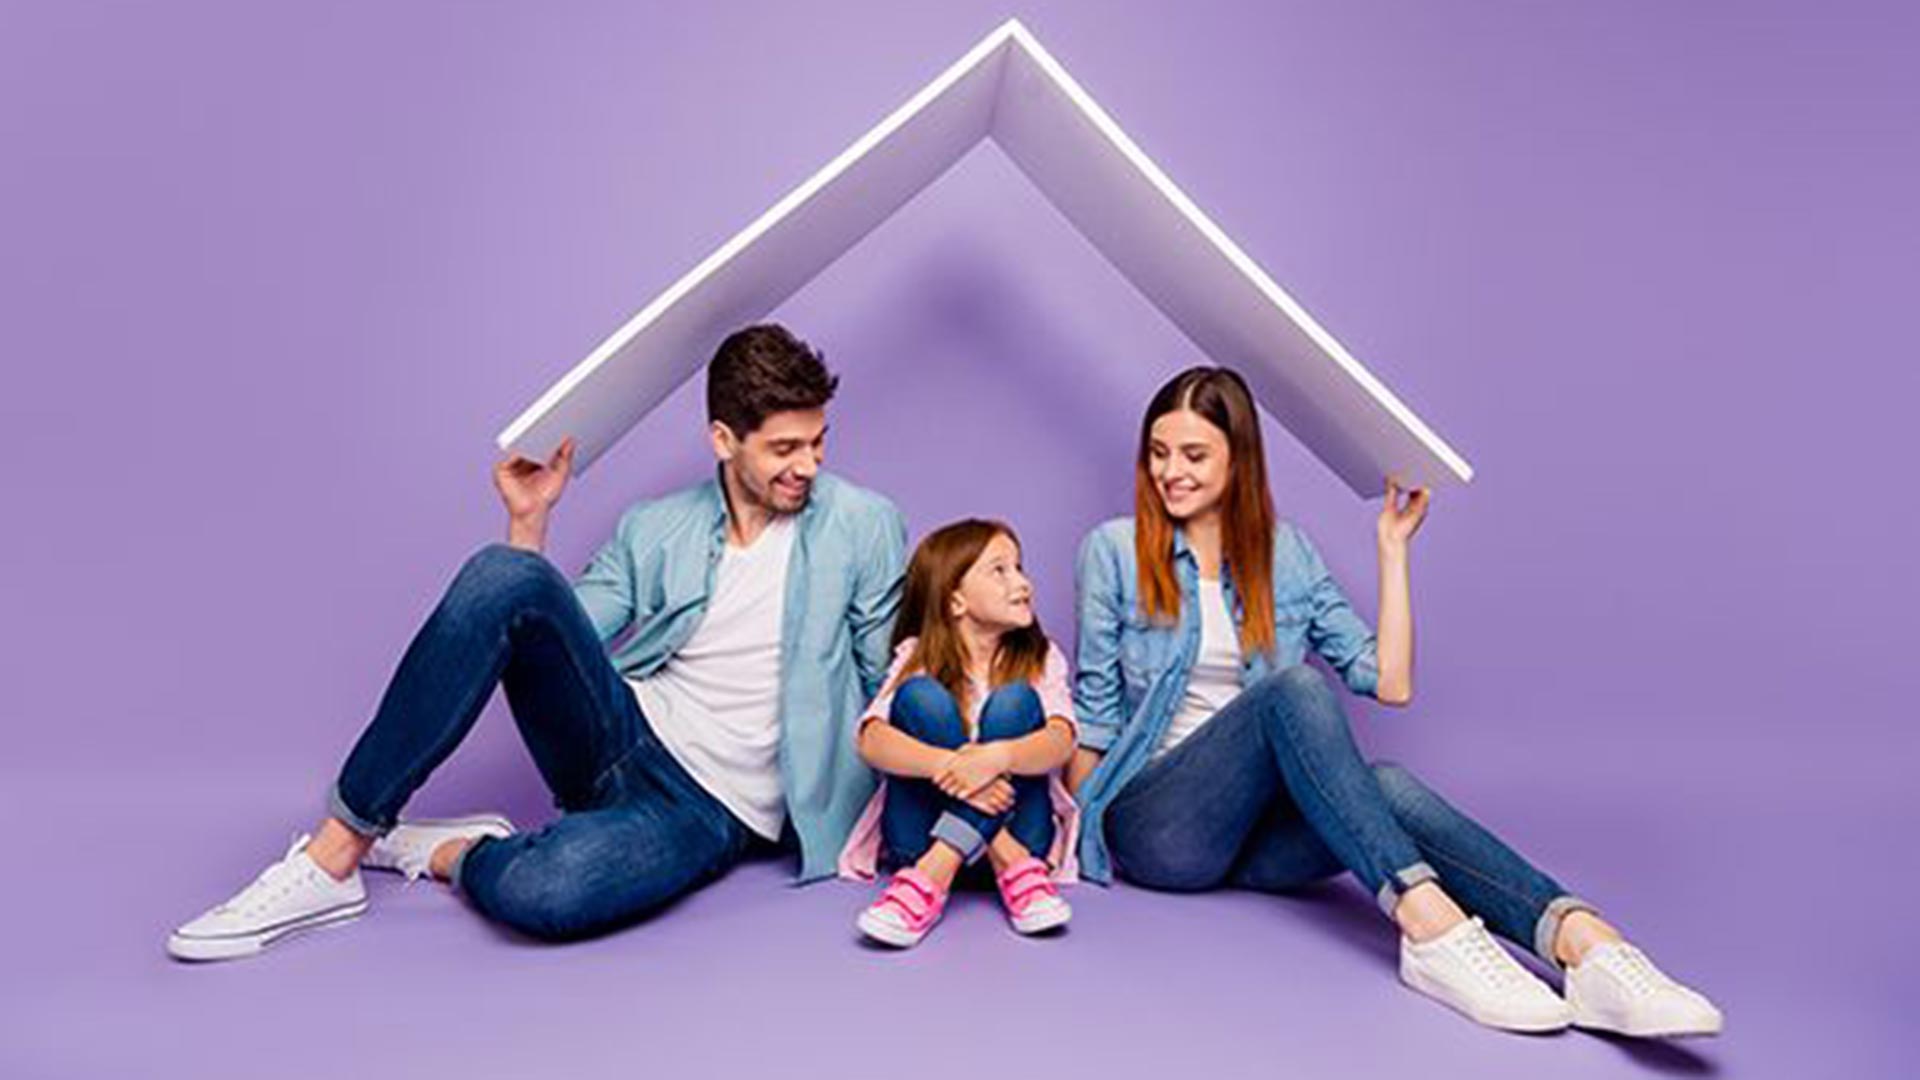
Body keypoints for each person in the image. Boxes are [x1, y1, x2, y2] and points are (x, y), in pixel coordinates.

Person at [168, 324, 907, 959]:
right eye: (784, 448)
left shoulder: (861, 524)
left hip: (707, 809)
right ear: (723, 439)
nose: (807, 466)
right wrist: (529, 527)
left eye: (817, 443)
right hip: (621, 733)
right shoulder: (657, 526)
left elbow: (886, 679)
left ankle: (452, 849)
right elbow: (553, 625)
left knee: (550, 894)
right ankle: (334, 855)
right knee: (505, 573)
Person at [1067, 365, 1722, 1037]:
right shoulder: (1114, 551)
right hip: (1160, 830)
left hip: (1254, 845)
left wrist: (1392, 549)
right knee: (1290, 690)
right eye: (1159, 452)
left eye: (1194, 454)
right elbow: (1095, 712)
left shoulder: (1286, 556)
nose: (1171, 471)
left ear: (1239, 461)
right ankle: (1428, 922)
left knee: (1390, 785)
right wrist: (1070, 841)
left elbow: (1389, 681)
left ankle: (1585, 944)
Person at [840, 520, 1078, 947]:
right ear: (955, 601)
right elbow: (871, 740)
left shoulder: (1041, 657)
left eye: (1020, 567)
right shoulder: (916, 656)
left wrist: (996, 759)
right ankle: (1006, 860)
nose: (1022, 582)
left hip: (1021, 836)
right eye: (999, 570)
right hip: (920, 838)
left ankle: (934, 878)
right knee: (920, 699)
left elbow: (1061, 741)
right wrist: (949, 766)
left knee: (1014, 704)